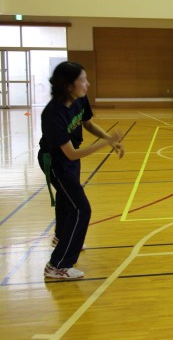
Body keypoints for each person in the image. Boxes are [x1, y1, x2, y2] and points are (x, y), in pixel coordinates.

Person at [38, 61, 125, 279]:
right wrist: (106, 143)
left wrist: (110, 139)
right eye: (82, 80)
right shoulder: (53, 114)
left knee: (67, 199)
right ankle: (57, 265)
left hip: (69, 158)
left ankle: (60, 237)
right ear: (69, 85)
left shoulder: (80, 99)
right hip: (56, 161)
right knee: (81, 209)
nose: (87, 84)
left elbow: (88, 124)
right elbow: (70, 154)